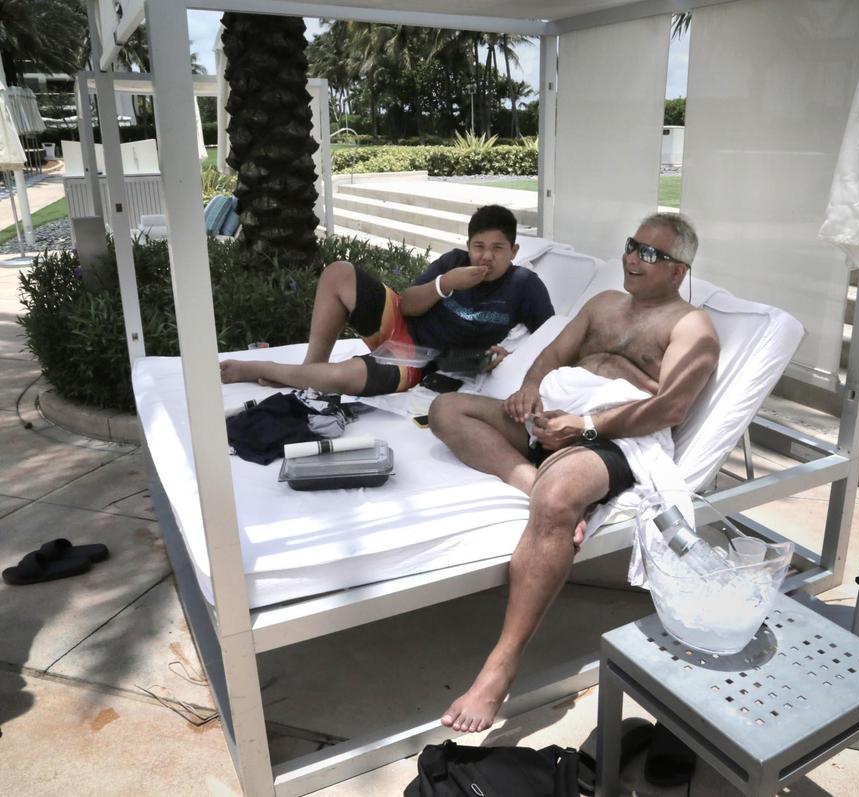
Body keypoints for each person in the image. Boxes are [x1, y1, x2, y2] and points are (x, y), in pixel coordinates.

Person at [429, 213, 720, 733]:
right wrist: (529, 389)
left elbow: (670, 407)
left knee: (560, 494)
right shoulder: (603, 305)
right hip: (556, 421)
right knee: (447, 411)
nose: (633, 259)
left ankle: (502, 664)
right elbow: (553, 355)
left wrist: (584, 426)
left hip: (613, 436)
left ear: (679, 271)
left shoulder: (690, 326)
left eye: (650, 254)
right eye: (632, 246)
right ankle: (528, 478)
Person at [219, 205, 554, 395]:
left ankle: (266, 369)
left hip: (420, 360)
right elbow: (407, 304)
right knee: (338, 272)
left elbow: (553, 340)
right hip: (401, 322)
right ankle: (310, 369)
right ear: (468, 246)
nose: (486, 257)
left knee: (340, 379)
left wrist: (508, 355)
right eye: (479, 247)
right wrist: (445, 284)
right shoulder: (453, 263)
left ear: (514, 251)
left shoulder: (524, 286)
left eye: (498, 249)